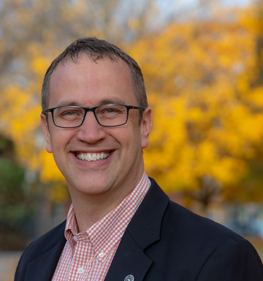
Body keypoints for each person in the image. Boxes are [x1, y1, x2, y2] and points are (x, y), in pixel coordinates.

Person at [14, 37, 263, 281]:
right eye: (69, 113)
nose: (90, 134)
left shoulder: (219, 259)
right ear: (47, 131)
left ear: (144, 125)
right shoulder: (34, 261)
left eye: (110, 110)